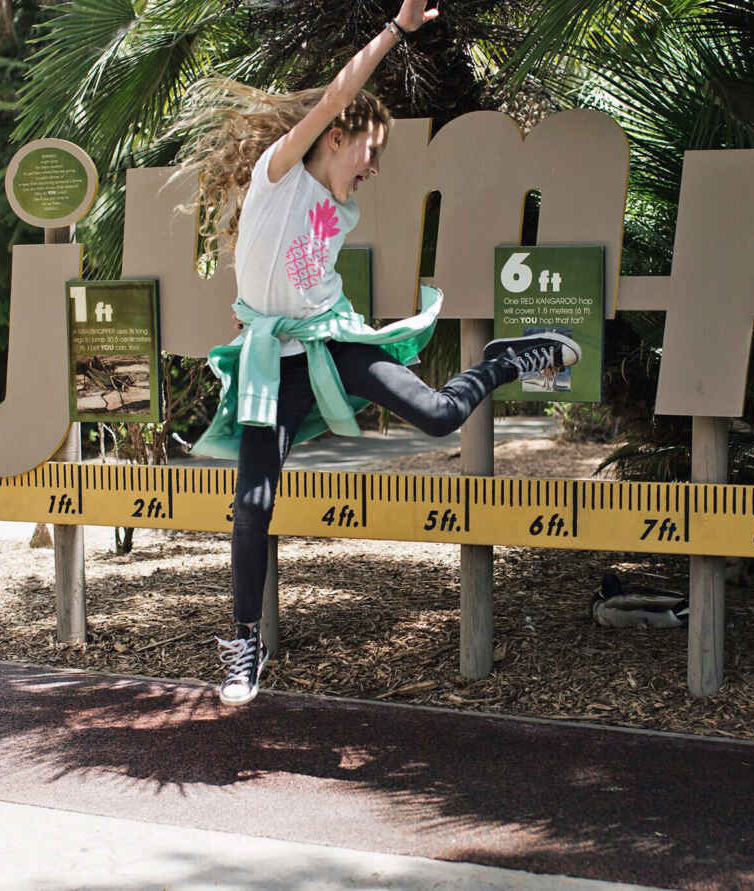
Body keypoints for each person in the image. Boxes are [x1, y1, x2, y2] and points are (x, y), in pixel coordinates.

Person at [183, 0, 581, 705]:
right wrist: (397, 32)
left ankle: (508, 358)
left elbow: (315, 289)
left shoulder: (338, 210)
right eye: (371, 151)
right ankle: (244, 642)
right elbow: (341, 90)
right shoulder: (279, 178)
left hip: (332, 344)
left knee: (434, 416)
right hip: (273, 363)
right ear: (336, 137)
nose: (374, 167)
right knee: (251, 504)